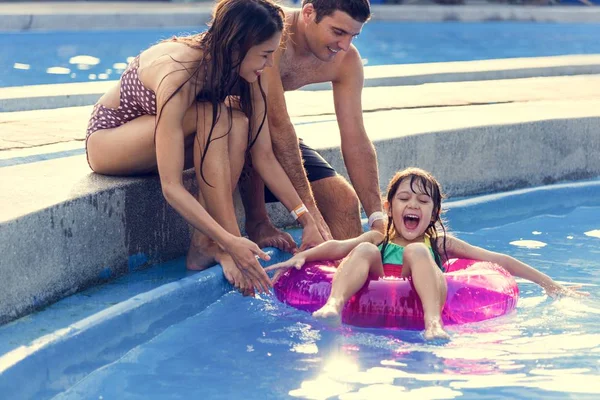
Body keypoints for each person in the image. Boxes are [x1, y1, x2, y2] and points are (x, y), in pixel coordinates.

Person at [84, 0, 324, 296]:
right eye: (265, 54)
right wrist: (234, 242)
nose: (270, 64)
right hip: (110, 141)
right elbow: (171, 185)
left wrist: (306, 219)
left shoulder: (251, 73)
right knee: (214, 114)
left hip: (168, 139)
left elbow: (263, 156)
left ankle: (202, 245)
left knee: (238, 121)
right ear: (237, 47)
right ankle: (218, 242)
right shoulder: (181, 70)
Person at [266, 167, 589, 340]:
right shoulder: (378, 237)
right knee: (362, 247)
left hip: (423, 291)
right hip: (377, 282)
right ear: (389, 208)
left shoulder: (438, 246)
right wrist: (303, 258)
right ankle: (334, 306)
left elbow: (498, 261)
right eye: (404, 199)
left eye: (422, 202)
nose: (413, 206)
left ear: (434, 214)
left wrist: (550, 284)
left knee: (418, 255)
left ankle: (433, 323)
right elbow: (337, 248)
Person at [240, 0, 386, 253]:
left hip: (266, 129)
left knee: (343, 199)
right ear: (308, 13)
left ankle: (350, 281)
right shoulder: (270, 30)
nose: (345, 45)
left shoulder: (346, 60)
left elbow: (356, 139)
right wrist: (309, 213)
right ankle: (257, 221)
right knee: (249, 123)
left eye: (353, 35)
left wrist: (377, 218)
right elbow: (276, 122)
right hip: (227, 126)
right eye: (338, 32)